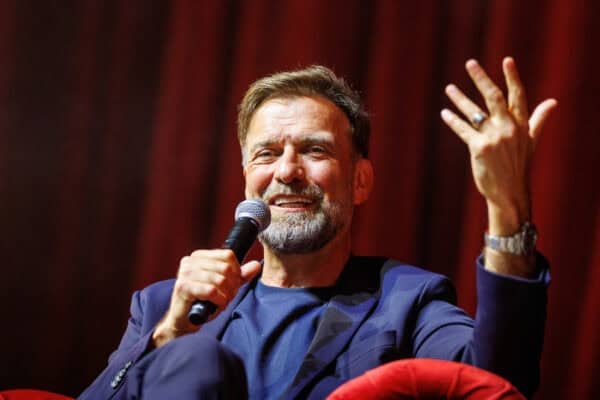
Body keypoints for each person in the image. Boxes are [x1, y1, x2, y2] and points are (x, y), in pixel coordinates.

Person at [79, 58, 556, 400]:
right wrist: (169, 335)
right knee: (194, 359)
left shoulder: (407, 301)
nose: (287, 171)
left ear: (360, 180)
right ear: (246, 178)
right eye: (266, 153)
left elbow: (498, 385)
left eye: (314, 150)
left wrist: (505, 203)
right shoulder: (161, 306)